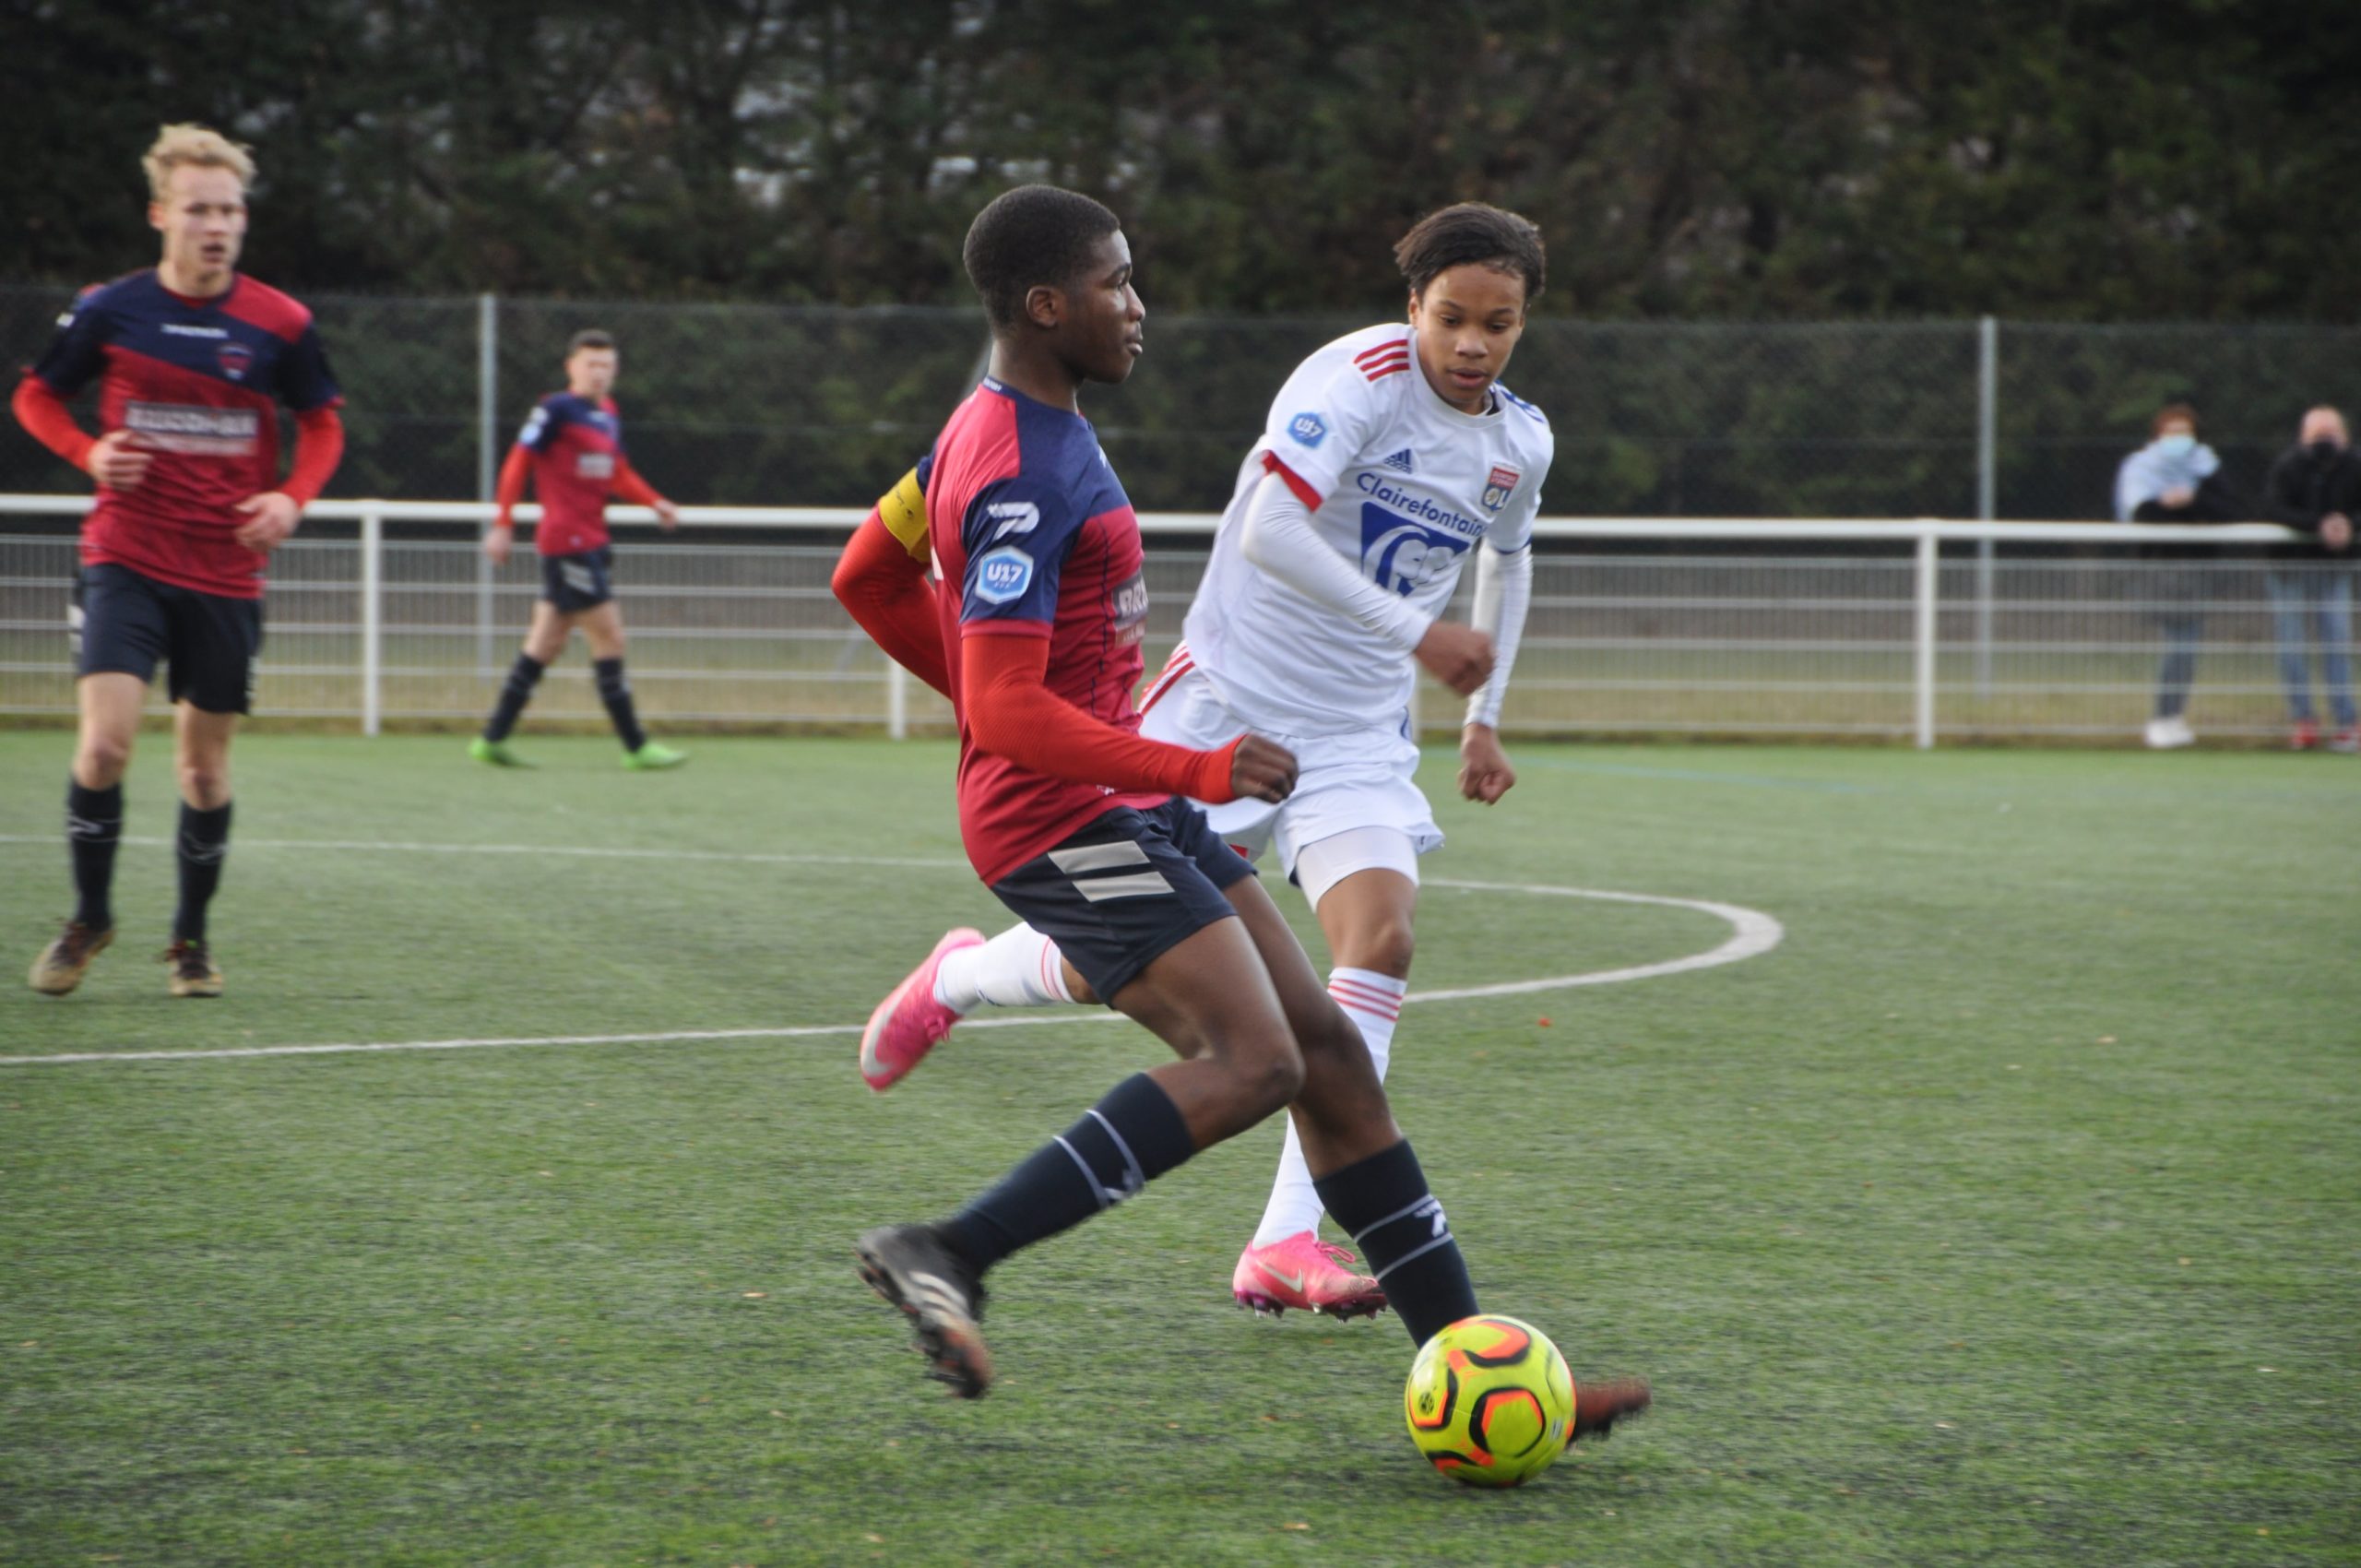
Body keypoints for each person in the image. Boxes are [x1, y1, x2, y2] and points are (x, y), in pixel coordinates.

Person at [828, 184, 1647, 1437]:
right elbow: (1002, 709)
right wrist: (1189, 769)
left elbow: (867, 574)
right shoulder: (1022, 472)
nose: (1137, 307)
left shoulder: (1003, 428)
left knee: (1327, 1057)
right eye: (1116, 283)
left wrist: (1063, 730)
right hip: (1059, 820)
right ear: (1046, 307)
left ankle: (1475, 1358)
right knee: (1255, 1061)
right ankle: (950, 1247)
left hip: (1112, 793)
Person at [13, 125, 344, 999]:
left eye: (230, 210)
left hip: (226, 573)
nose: (217, 226)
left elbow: (321, 424)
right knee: (103, 747)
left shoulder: (281, 323)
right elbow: (37, 397)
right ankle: (89, 920)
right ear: (161, 215)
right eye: (199, 210)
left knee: (202, 770)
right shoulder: (110, 309)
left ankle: (191, 941)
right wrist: (88, 453)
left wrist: (290, 499)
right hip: (124, 555)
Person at [469, 329, 687, 769]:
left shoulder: (608, 413)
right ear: (571, 367)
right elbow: (518, 462)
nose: (598, 373)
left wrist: (654, 502)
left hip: (593, 540)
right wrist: (503, 523)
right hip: (567, 542)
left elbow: (617, 473)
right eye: (590, 364)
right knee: (609, 636)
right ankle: (636, 745)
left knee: (544, 644)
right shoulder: (555, 410)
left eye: (606, 365)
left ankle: (491, 739)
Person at [2114, 403, 2243, 749]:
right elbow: (2144, 513)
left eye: (2185, 432)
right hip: (2161, 568)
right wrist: (2189, 512)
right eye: (2171, 432)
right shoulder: (2141, 467)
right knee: (2180, 644)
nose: (2178, 439)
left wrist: (2191, 500)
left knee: (2187, 646)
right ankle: (2162, 717)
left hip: (2199, 570)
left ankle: (2172, 717)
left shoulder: (2207, 466)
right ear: (2158, 435)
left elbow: (2229, 509)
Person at [2257, 406, 2360, 752]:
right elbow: (2273, 508)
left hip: (2333, 569)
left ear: (2344, 436)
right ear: (2303, 438)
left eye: (2330, 434)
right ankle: (2304, 720)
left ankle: (2347, 723)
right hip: (2290, 570)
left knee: (2337, 642)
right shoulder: (2288, 466)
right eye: (2317, 435)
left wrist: (2348, 524)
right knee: (2291, 645)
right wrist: (2318, 524)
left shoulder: (2355, 466)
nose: (2323, 442)